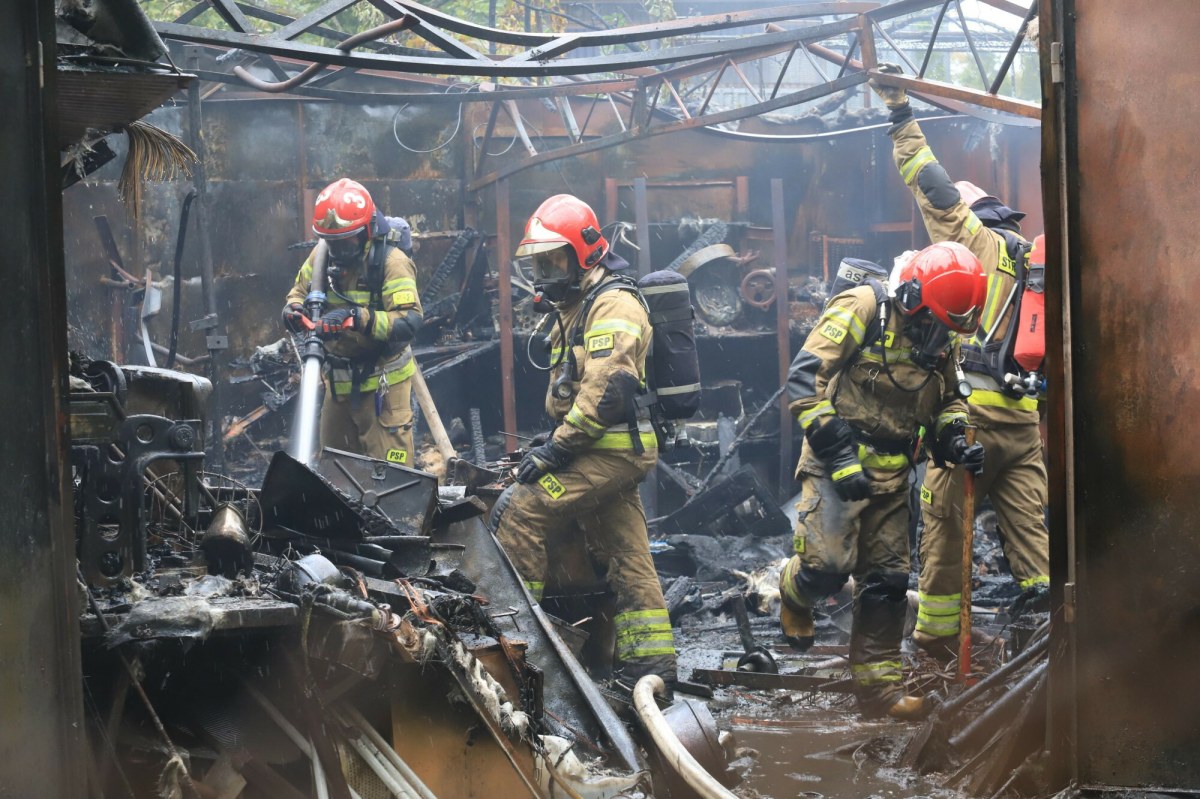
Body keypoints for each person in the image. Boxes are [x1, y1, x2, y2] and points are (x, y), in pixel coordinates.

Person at [869, 65, 1051, 658]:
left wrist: (900, 113)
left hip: (968, 425)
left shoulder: (976, 246)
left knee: (945, 539)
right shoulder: (1038, 270)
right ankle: (1046, 646)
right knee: (1034, 547)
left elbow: (930, 181)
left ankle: (937, 647)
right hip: (1024, 429)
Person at [778, 242, 987, 719]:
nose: (937, 339)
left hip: (894, 473)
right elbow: (804, 379)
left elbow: (950, 400)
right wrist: (838, 454)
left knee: (887, 583)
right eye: (933, 325)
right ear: (912, 296)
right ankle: (793, 590)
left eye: (948, 331)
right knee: (828, 568)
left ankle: (880, 693)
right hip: (836, 461)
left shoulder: (945, 330)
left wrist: (955, 438)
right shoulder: (864, 307)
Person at [493, 194, 677, 684]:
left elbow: (607, 391)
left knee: (519, 509)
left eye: (553, 261)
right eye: (539, 264)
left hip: (607, 451)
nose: (544, 274)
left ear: (585, 254)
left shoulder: (612, 303)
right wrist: (552, 437)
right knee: (626, 553)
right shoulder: (579, 304)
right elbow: (576, 391)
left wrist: (557, 449)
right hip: (602, 448)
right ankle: (652, 669)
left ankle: (518, 650)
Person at [282, 178, 423, 464]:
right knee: (336, 472)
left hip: (383, 386)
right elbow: (298, 292)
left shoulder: (392, 262)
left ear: (366, 231)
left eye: (346, 242)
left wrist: (358, 318)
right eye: (332, 242)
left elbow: (409, 321)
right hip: (339, 386)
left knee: (391, 477)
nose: (339, 251)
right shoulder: (322, 254)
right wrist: (293, 310)